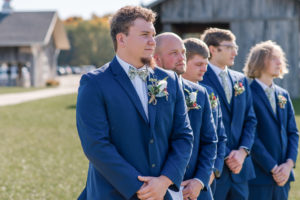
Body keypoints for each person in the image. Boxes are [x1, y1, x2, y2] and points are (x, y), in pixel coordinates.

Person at [76, 6, 193, 200]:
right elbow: (96, 145)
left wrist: (163, 181)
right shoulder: (94, 83)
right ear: (121, 39)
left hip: (160, 193)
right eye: (144, 34)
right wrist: (139, 187)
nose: (152, 41)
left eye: (153, 35)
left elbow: (183, 136)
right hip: (113, 193)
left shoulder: (170, 80)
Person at [154, 32, 217, 200]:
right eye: (174, 53)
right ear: (156, 58)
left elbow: (210, 141)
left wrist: (199, 180)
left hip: (194, 190)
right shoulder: (149, 92)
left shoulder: (200, 93)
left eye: (183, 52)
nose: (182, 57)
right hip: (158, 187)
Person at [201, 28, 257, 200]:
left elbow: (250, 119)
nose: (235, 51)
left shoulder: (241, 79)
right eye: (229, 47)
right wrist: (226, 155)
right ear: (212, 49)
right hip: (214, 169)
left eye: (235, 47)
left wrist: (242, 152)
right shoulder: (200, 78)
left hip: (240, 169)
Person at [243, 40, 299, 200]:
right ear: (260, 61)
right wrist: (273, 168)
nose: (279, 62)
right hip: (259, 177)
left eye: (280, 58)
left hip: (284, 177)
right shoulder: (248, 94)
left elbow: (293, 133)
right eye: (274, 58)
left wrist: (288, 165)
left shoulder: (283, 94)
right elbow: (251, 137)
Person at [183, 38, 227, 199]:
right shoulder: (171, 92)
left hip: (205, 178)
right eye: (198, 64)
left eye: (206, 64)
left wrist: (213, 171)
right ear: (183, 61)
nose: (204, 69)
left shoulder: (210, 92)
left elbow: (220, 136)